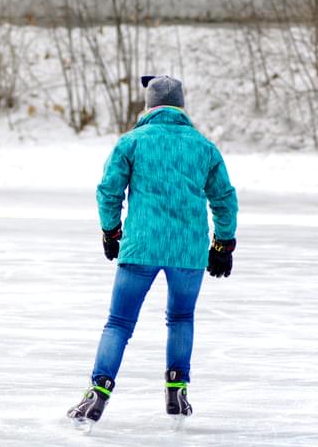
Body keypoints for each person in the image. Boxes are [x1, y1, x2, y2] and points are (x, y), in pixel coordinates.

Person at [67, 75, 238, 429]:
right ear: (181, 107)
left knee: (119, 323)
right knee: (180, 318)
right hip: (188, 251)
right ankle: (177, 388)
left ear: (148, 107)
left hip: (141, 247)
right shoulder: (204, 147)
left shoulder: (131, 143)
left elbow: (108, 191)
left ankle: (98, 390)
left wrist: (110, 231)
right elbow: (224, 198)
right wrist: (223, 244)